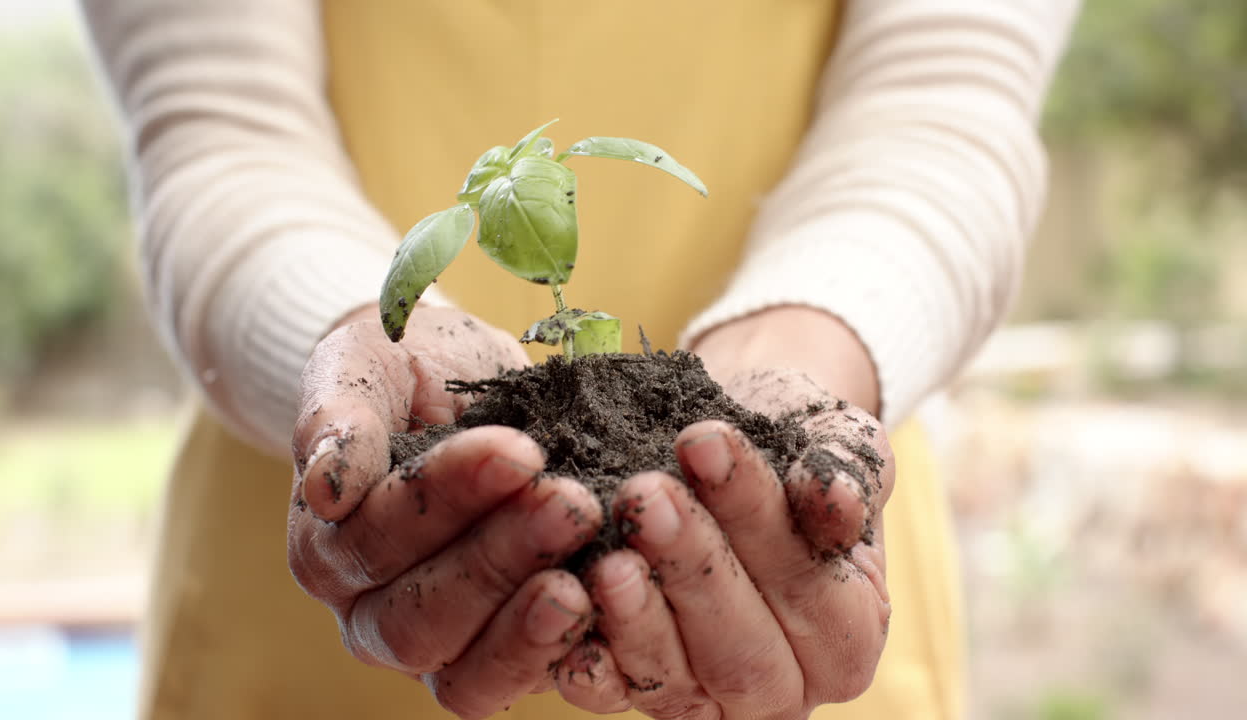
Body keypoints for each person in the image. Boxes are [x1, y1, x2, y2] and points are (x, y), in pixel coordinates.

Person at [80, 1, 1078, 718]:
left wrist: (807, 340)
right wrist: (348, 336)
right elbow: (216, 127)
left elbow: (948, 102)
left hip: (783, 590)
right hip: (318, 590)